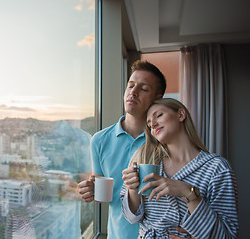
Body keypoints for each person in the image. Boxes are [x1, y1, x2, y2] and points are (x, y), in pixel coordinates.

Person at [121, 98, 239, 238]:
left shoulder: (217, 168)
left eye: (159, 115)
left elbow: (228, 235)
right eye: (148, 124)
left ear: (181, 115)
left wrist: (188, 193)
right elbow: (132, 218)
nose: (152, 124)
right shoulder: (143, 159)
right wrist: (132, 190)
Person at [78, 60, 167, 238]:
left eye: (143, 88)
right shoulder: (99, 140)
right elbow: (102, 186)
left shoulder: (164, 140)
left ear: (157, 98)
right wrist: (90, 190)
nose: (133, 92)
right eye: (130, 86)